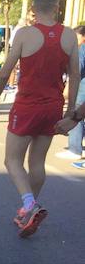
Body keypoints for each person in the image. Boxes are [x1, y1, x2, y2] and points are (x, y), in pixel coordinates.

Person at [0, 0, 80, 237]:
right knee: (37, 161)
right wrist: (70, 112)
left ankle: (30, 204)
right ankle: (29, 208)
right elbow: (74, 76)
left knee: (12, 160)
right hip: (52, 107)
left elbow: (6, 69)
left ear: (33, 9)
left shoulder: (25, 34)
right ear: (56, 9)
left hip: (27, 106)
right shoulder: (69, 35)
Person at [54, 25, 85, 162]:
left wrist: (68, 89)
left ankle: (74, 149)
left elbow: (76, 72)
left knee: (77, 116)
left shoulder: (81, 50)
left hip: (81, 90)